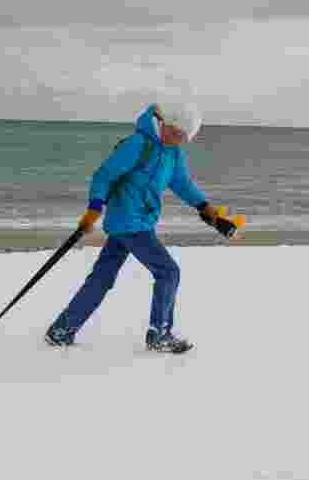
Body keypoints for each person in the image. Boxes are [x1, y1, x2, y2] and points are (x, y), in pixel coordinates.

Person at [44, 102, 236, 353]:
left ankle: (62, 329)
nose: (178, 141)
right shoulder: (137, 144)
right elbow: (105, 175)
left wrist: (206, 208)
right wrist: (94, 208)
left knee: (102, 278)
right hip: (128, 223)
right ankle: (160, 334)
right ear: (166, 124)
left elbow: (182, 184)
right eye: (176, 134)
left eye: (184, 138)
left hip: (139, 222)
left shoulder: (173, 153)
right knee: (168, 272)